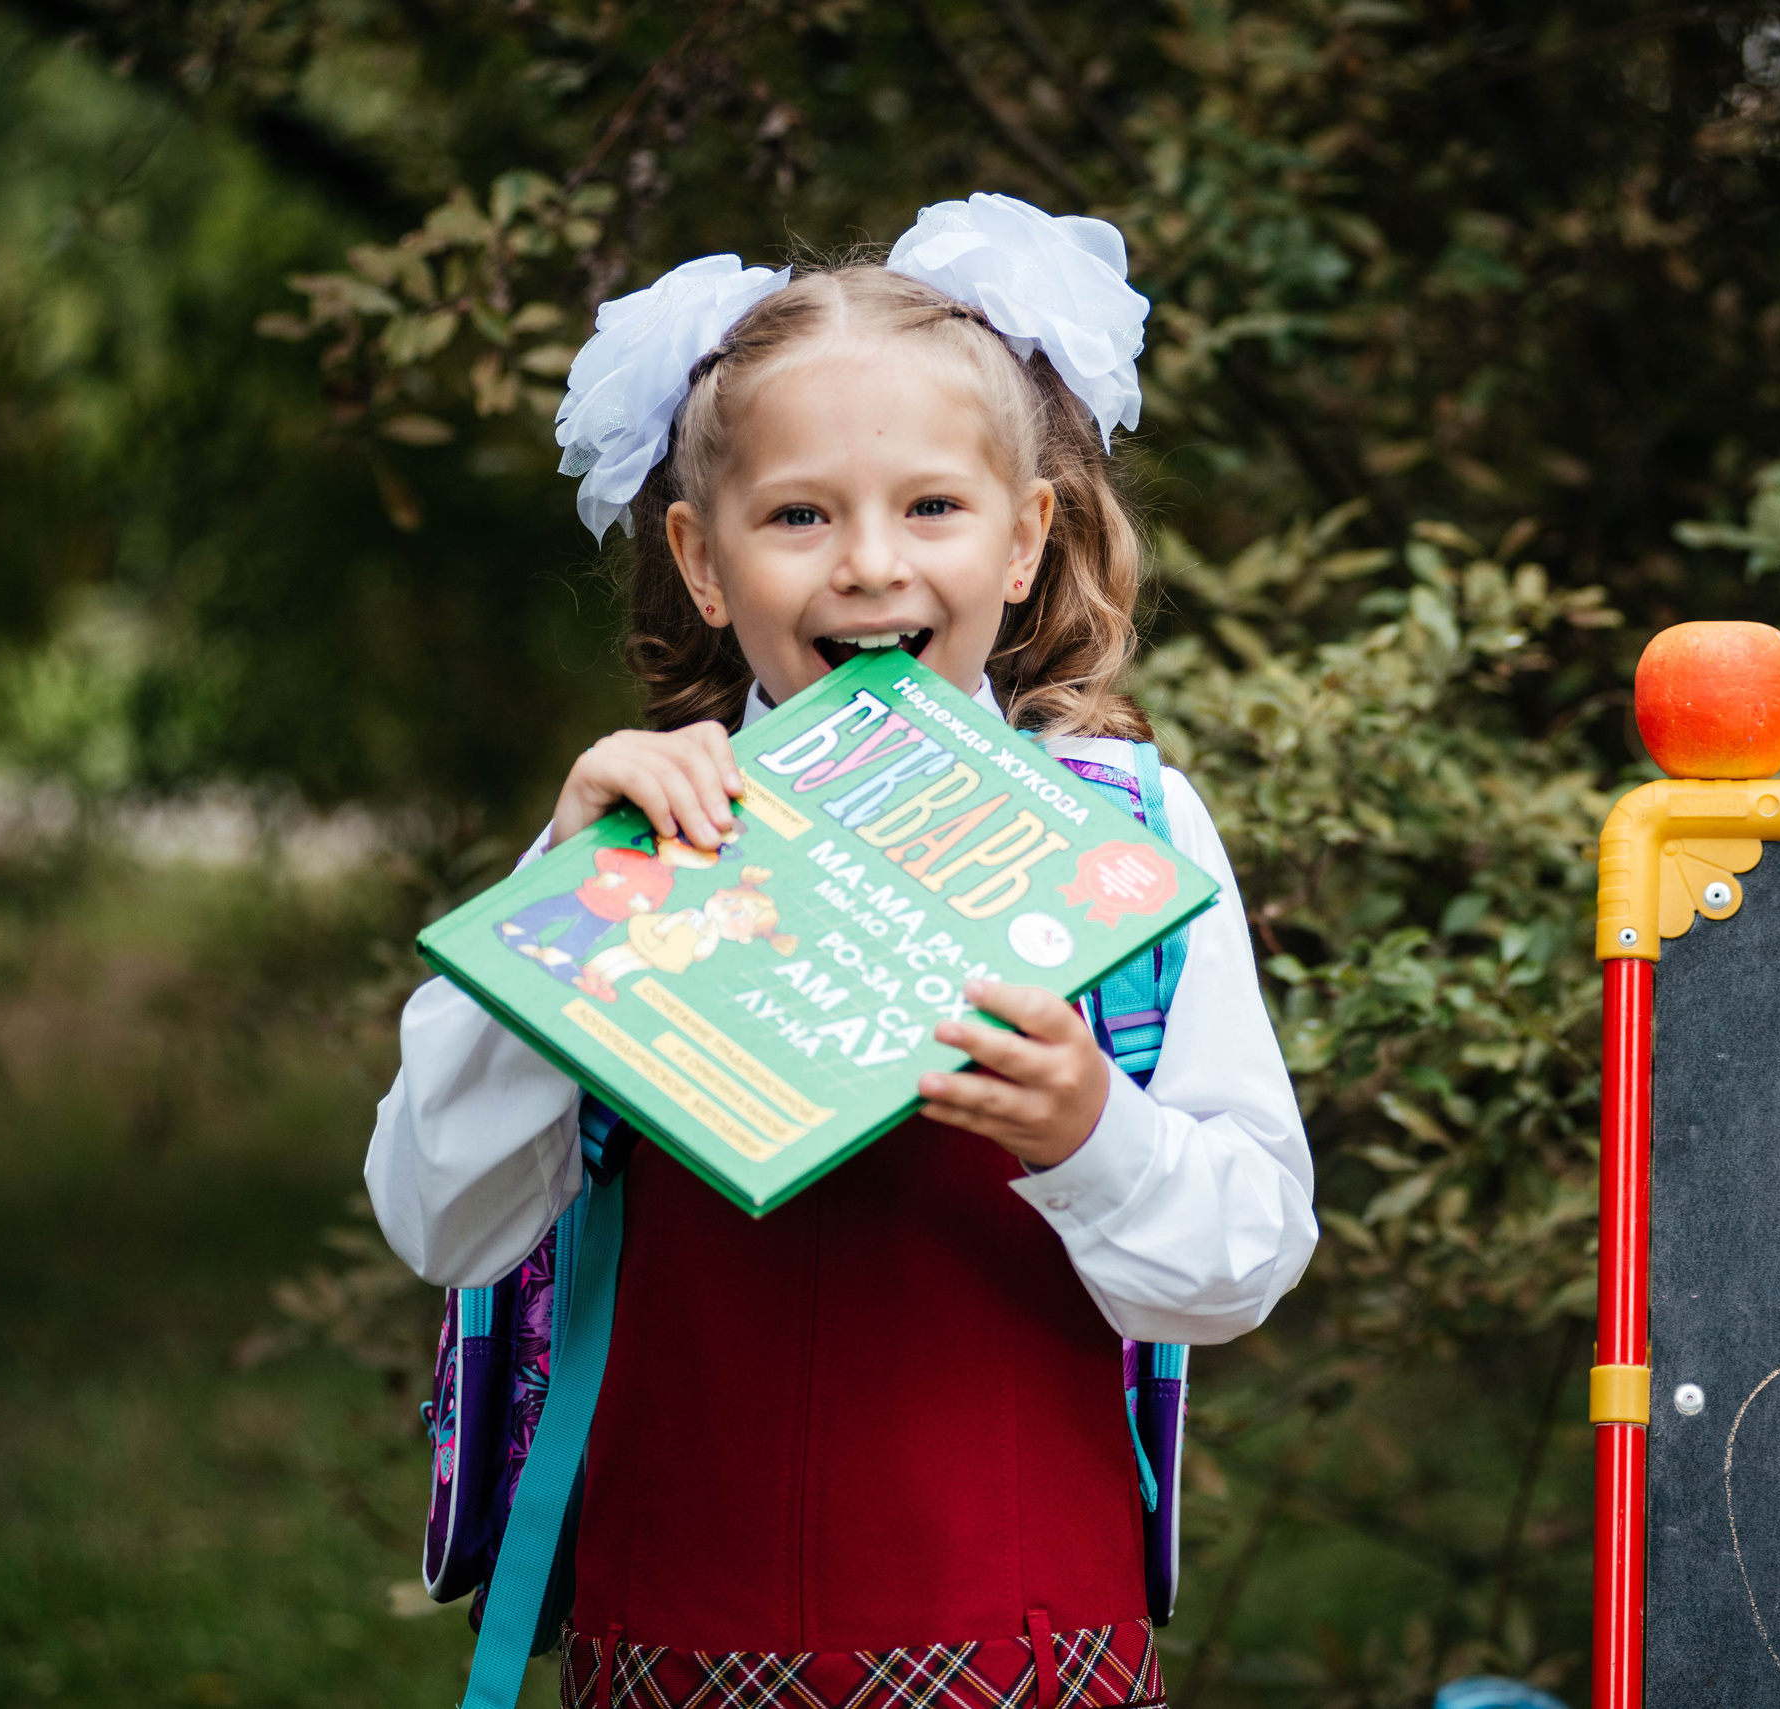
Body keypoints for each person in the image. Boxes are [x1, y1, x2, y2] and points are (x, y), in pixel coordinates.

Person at [364, 195, 1315, 1709]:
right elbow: (438, 1218)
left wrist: (1093, 1132)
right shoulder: (644, 827)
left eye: (932, 508)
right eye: (799, 515)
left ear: (1025, 540)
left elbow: (1245, 1256)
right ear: (700, 556)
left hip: (1026, 1643)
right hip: (669, 1641)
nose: (869, 566)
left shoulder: (1130, 833)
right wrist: (566, 910)